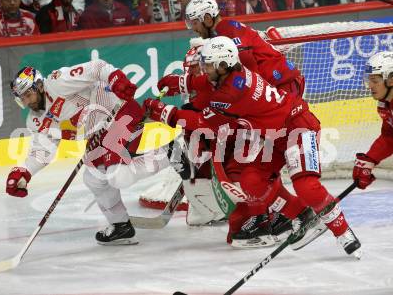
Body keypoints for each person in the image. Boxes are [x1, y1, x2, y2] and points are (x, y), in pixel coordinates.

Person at [149, 36, 362, 258]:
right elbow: (207, 83)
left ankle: (344, 233)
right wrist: (182, 82)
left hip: (299, 127)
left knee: (306, 184)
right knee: (252, 182)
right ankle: (302, 215)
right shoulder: (232, 75)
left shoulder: (230, 94)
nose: (204, 69)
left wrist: (162, 112)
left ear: (223, 65)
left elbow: (202, 122)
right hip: (275, 137)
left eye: (209, 65)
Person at [6, 60, 171, 245]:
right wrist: (24, 172)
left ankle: (171, 154)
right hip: (98, 136)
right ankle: (121, 226)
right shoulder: (35, 121)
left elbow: (97, 68)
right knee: (93, 178)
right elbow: (42, 151)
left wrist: (117, 80)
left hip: (120, 113)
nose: (27, 101)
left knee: (118, 176)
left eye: (28, 94)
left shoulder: (58, 82)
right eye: (23, 98)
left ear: (39, 86)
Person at [184, 0, 303, 98]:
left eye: (195, 23)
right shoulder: (224, 31)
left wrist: (254, 94)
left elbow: (247, 61)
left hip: (283, 85)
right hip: (279, 84)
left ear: (207, 19)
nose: (193, 28)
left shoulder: (227, 30)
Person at [353, 51, 393, 190]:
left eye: (375, 81)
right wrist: (370, 159)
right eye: (369, 80)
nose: (370, 86)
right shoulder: (385, 104)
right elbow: (389, 137)